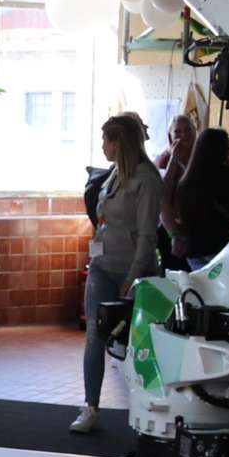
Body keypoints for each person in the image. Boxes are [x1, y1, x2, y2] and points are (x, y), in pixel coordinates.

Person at [73, 114, 163, 434]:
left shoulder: (146, 180)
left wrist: (133, 277)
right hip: (102, 266)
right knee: (94, 335)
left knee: (139, 342)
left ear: (119, 143)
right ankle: (90, 406)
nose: (102, 146)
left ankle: (148, 406)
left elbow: (148, 236)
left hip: (132, 271)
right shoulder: (114, 174)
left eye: (106, 140)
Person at [174, 127, 229, 269]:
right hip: (222, 250)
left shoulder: (186, 181)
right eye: (228, 146)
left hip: (194, 253)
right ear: (220, 150)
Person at [157, 112, 197, 271]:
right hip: (170, 228)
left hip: (194, 229)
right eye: (177, 132)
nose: (183, 135)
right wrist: (174, 159)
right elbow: (162, 197)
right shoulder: (164, 160)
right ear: (170, 136)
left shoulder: (199, 158)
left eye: (188, 130)